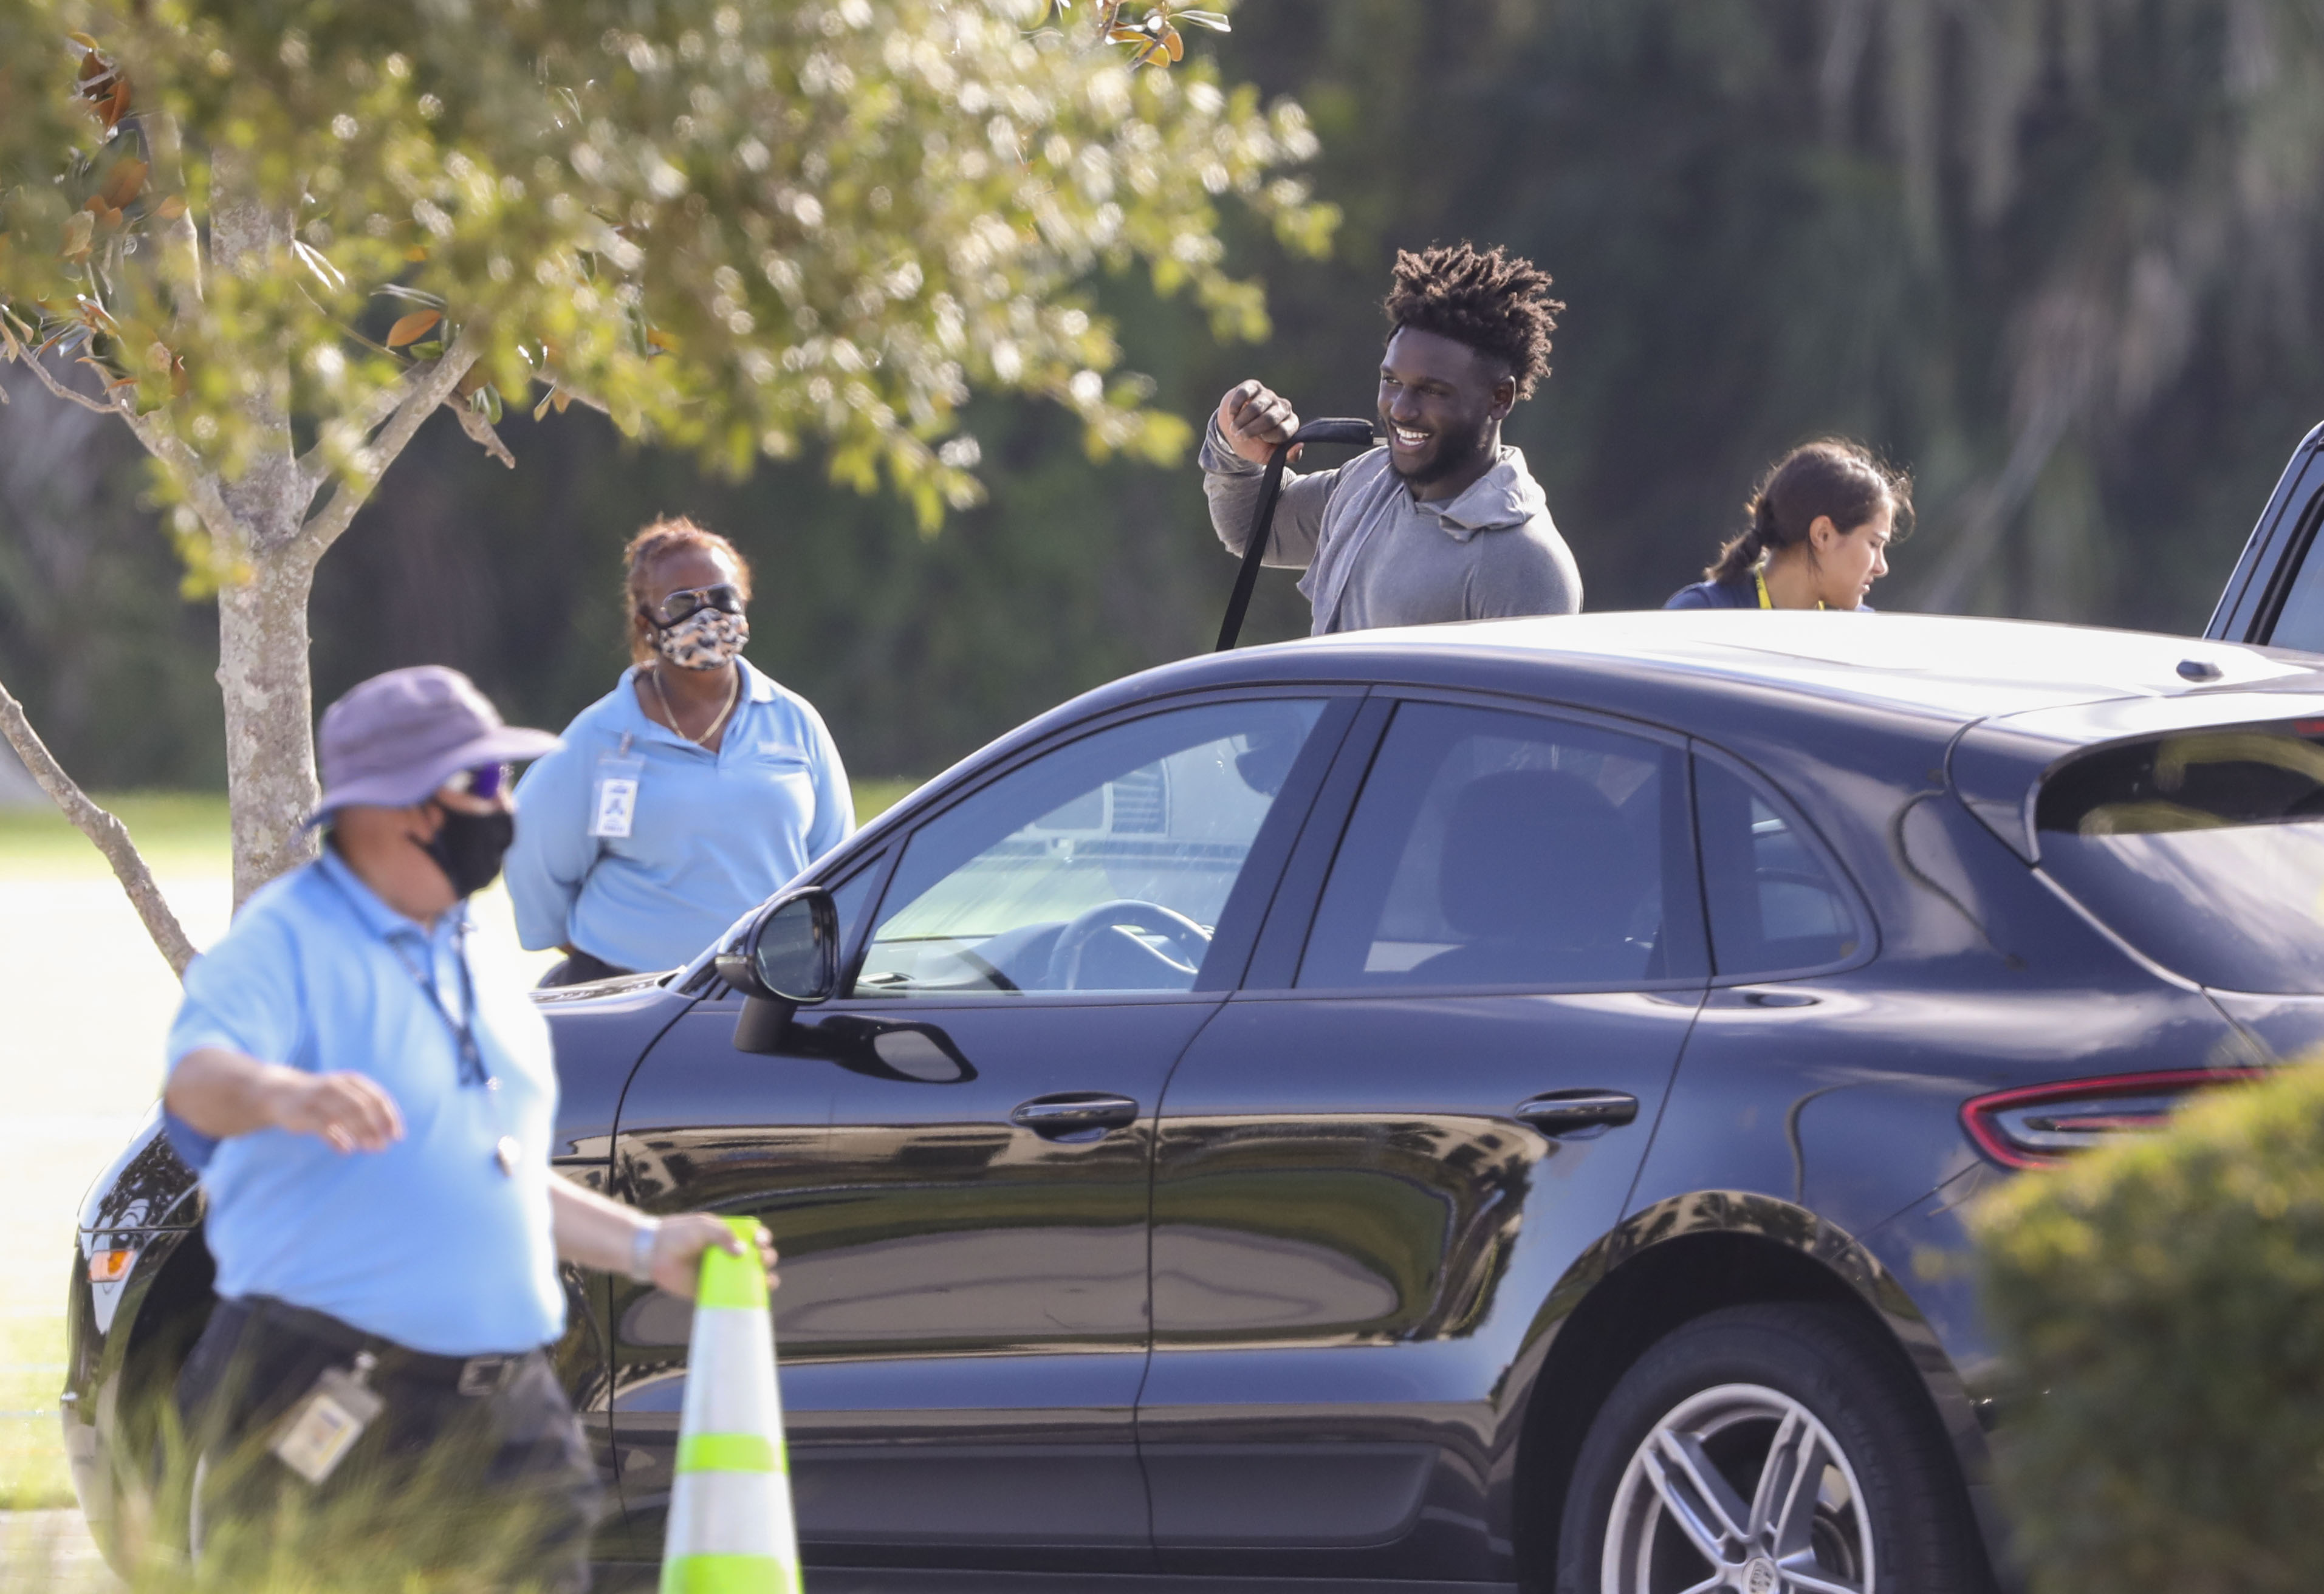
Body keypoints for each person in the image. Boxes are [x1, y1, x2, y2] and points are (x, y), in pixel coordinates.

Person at [162, 665, 775, 1592]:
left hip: (503, 1408)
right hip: (329, 1390)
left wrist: (647, 1245)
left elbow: (498, 1171)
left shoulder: (466, 948)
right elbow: (195, 1082)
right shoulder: (284, 941)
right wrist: (287, 1095)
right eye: (483, 784)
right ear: (398, 808)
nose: (506, 807)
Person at [504, 518, 853, 985]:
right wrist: (593, 950)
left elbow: (837, 865)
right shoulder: (602, 734)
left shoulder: (794, 722)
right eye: (683, 602)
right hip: (627, 997)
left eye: (722, 598)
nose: (707, 615)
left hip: (769, 995)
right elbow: (529, 848)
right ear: (646, 624)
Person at [1202, 241, 1582, 634]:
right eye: (1392, 381)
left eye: (1432, 390)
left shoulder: (1524, 563)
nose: (1401, 409)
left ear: (1499, 398)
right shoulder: (1369, 481)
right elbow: (1253, 529)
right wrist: (1232, 435)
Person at [1665, 439, 1908, 612]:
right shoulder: (1700, 614)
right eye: (1874, 544)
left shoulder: (1862, 636)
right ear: (1823, 535)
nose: (1882, 568)